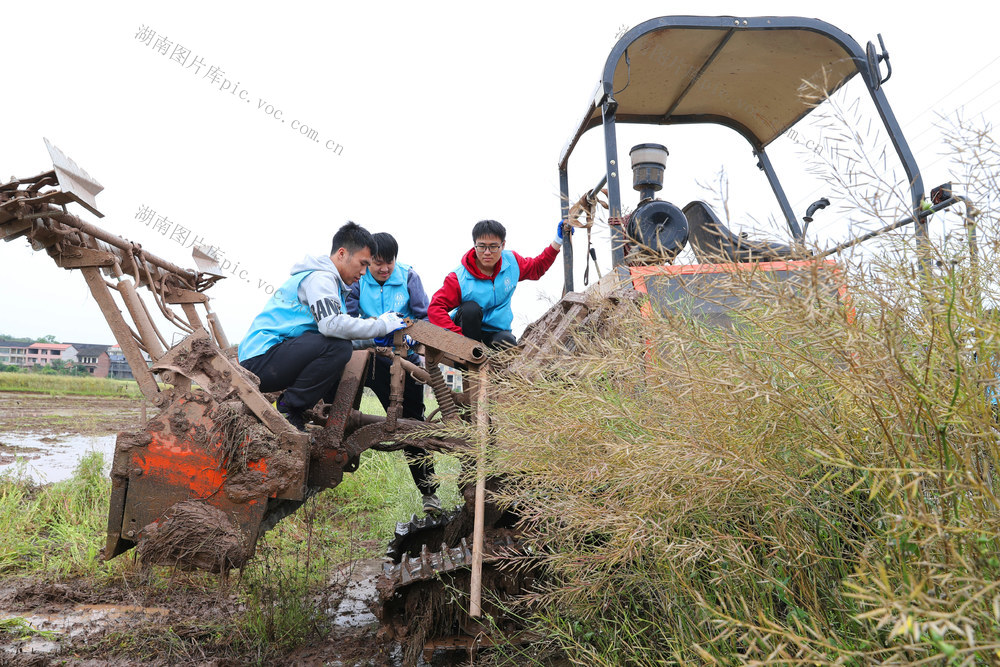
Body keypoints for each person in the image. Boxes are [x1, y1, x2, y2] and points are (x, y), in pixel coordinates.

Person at [238, 222, 406, 431]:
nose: (364, 272)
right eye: (362, 263)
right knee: (338, 347)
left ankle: (293, 407)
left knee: (339, 345)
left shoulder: (334, 285)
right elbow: (331, 326)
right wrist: (379, 325)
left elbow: (335, 330)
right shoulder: (321, 278)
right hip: (259, 361)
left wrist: (375, 338)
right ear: (342, 254)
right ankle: (288, 408)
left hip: (276, 358)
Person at [346, 232, 442, 514]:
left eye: (389, 262)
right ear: (368, 262)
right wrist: (371, 335)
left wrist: (413, 337)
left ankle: (429, 494)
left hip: (407, 359)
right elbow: (348, 321)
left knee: (411, 423)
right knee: (355, 403)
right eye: (377, 263)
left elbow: (424, 316)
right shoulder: (358, 281)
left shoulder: (409, 277)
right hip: (373, 360)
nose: (384, 269)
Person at [428, 219, 567, 347]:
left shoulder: (512, 262)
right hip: (467, 333)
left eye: (493, 246)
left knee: (507, 342)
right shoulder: (459, 278)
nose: (487, 252)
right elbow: (436, 307)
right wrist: (456, 337)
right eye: (482, 247)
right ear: (475, 245)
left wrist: (558, 240)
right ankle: (467, 364)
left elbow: (537, 268)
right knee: (470, 309)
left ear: (503, 245)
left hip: (496, 332)